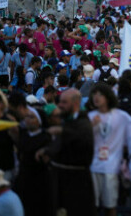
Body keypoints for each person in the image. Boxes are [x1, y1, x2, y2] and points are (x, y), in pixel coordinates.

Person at [35, 88, 95, 216]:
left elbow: (82, 138)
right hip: (61, 178)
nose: (60, 105)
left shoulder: (83, 122)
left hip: (77, 181)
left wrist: (62, 132)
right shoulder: (67, 120)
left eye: (64, 102)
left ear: (75, 104)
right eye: (60, 102)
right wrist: (47, 151)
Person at [88, 83, 131, 216]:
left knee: (110, 206)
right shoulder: (90, 117)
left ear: (108, 97)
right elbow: (82, 139)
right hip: (93, 166)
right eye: (94, 94)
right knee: (92, 207)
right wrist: (90, 127)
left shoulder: (121, 116)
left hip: (111, 168)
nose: (96, 97)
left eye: (100, 94)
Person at [16, 107, 52, 216]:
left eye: (31, 117)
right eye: (26, 117)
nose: (27, 119)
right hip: (23, 178)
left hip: (40, 181)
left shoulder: (46, 137)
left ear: (39, 121)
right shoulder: (23, 135)